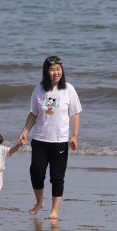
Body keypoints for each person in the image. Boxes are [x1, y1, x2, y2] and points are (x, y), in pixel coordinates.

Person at [18, 56, 82, 219]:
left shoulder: (68, 89)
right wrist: (24, 132)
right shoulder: (39, 89)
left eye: (58, 69)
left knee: (57, 177)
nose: (56, 72)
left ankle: (55, 210)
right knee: (36, 173)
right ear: (46, 71)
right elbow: (33, 113)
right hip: (40, 139)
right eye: (52, 69)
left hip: (59, 141)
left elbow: (74, 115)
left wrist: (74, 136)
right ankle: (39, 202)